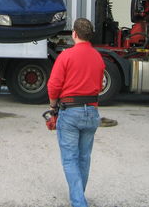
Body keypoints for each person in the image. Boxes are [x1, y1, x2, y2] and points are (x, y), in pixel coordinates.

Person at [47, 18, 105, 207]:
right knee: (84, 157)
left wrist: (52, 107)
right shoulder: (98, 57)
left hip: (70, 112)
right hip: (92, 112)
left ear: (74, 34)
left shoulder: (66, 56)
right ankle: (79, 195)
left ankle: (79, 202)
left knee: (70, 158)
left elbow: (54, 85)